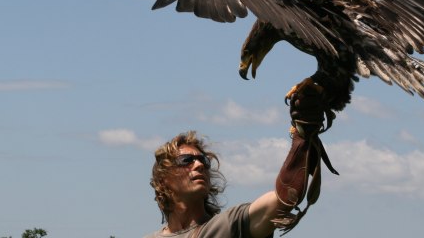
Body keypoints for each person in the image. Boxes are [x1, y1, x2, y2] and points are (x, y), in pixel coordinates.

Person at [144, 85, 336, 238]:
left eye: (203, 160)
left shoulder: (229, 226)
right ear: (163, 180)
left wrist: (301, 139)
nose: (199, 164)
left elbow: (282, 200)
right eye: (187, 160)